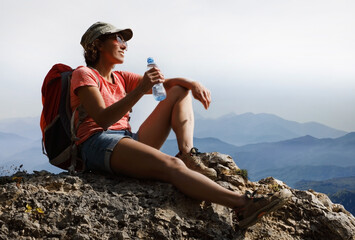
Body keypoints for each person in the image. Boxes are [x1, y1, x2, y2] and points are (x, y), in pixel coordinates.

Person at [70, 21, 290, 230]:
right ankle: (242, 205)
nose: (124, 45)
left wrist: (192, 83)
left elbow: (168, 85)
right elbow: (103, 119)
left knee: (179, 91)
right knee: (172, 166)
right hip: (97, 143)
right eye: (118, 39)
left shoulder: (120, 77)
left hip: (126, 139)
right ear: (97, 44)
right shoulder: (84, 74)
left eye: (125, 40)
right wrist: (140, 89)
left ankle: (187, 153)